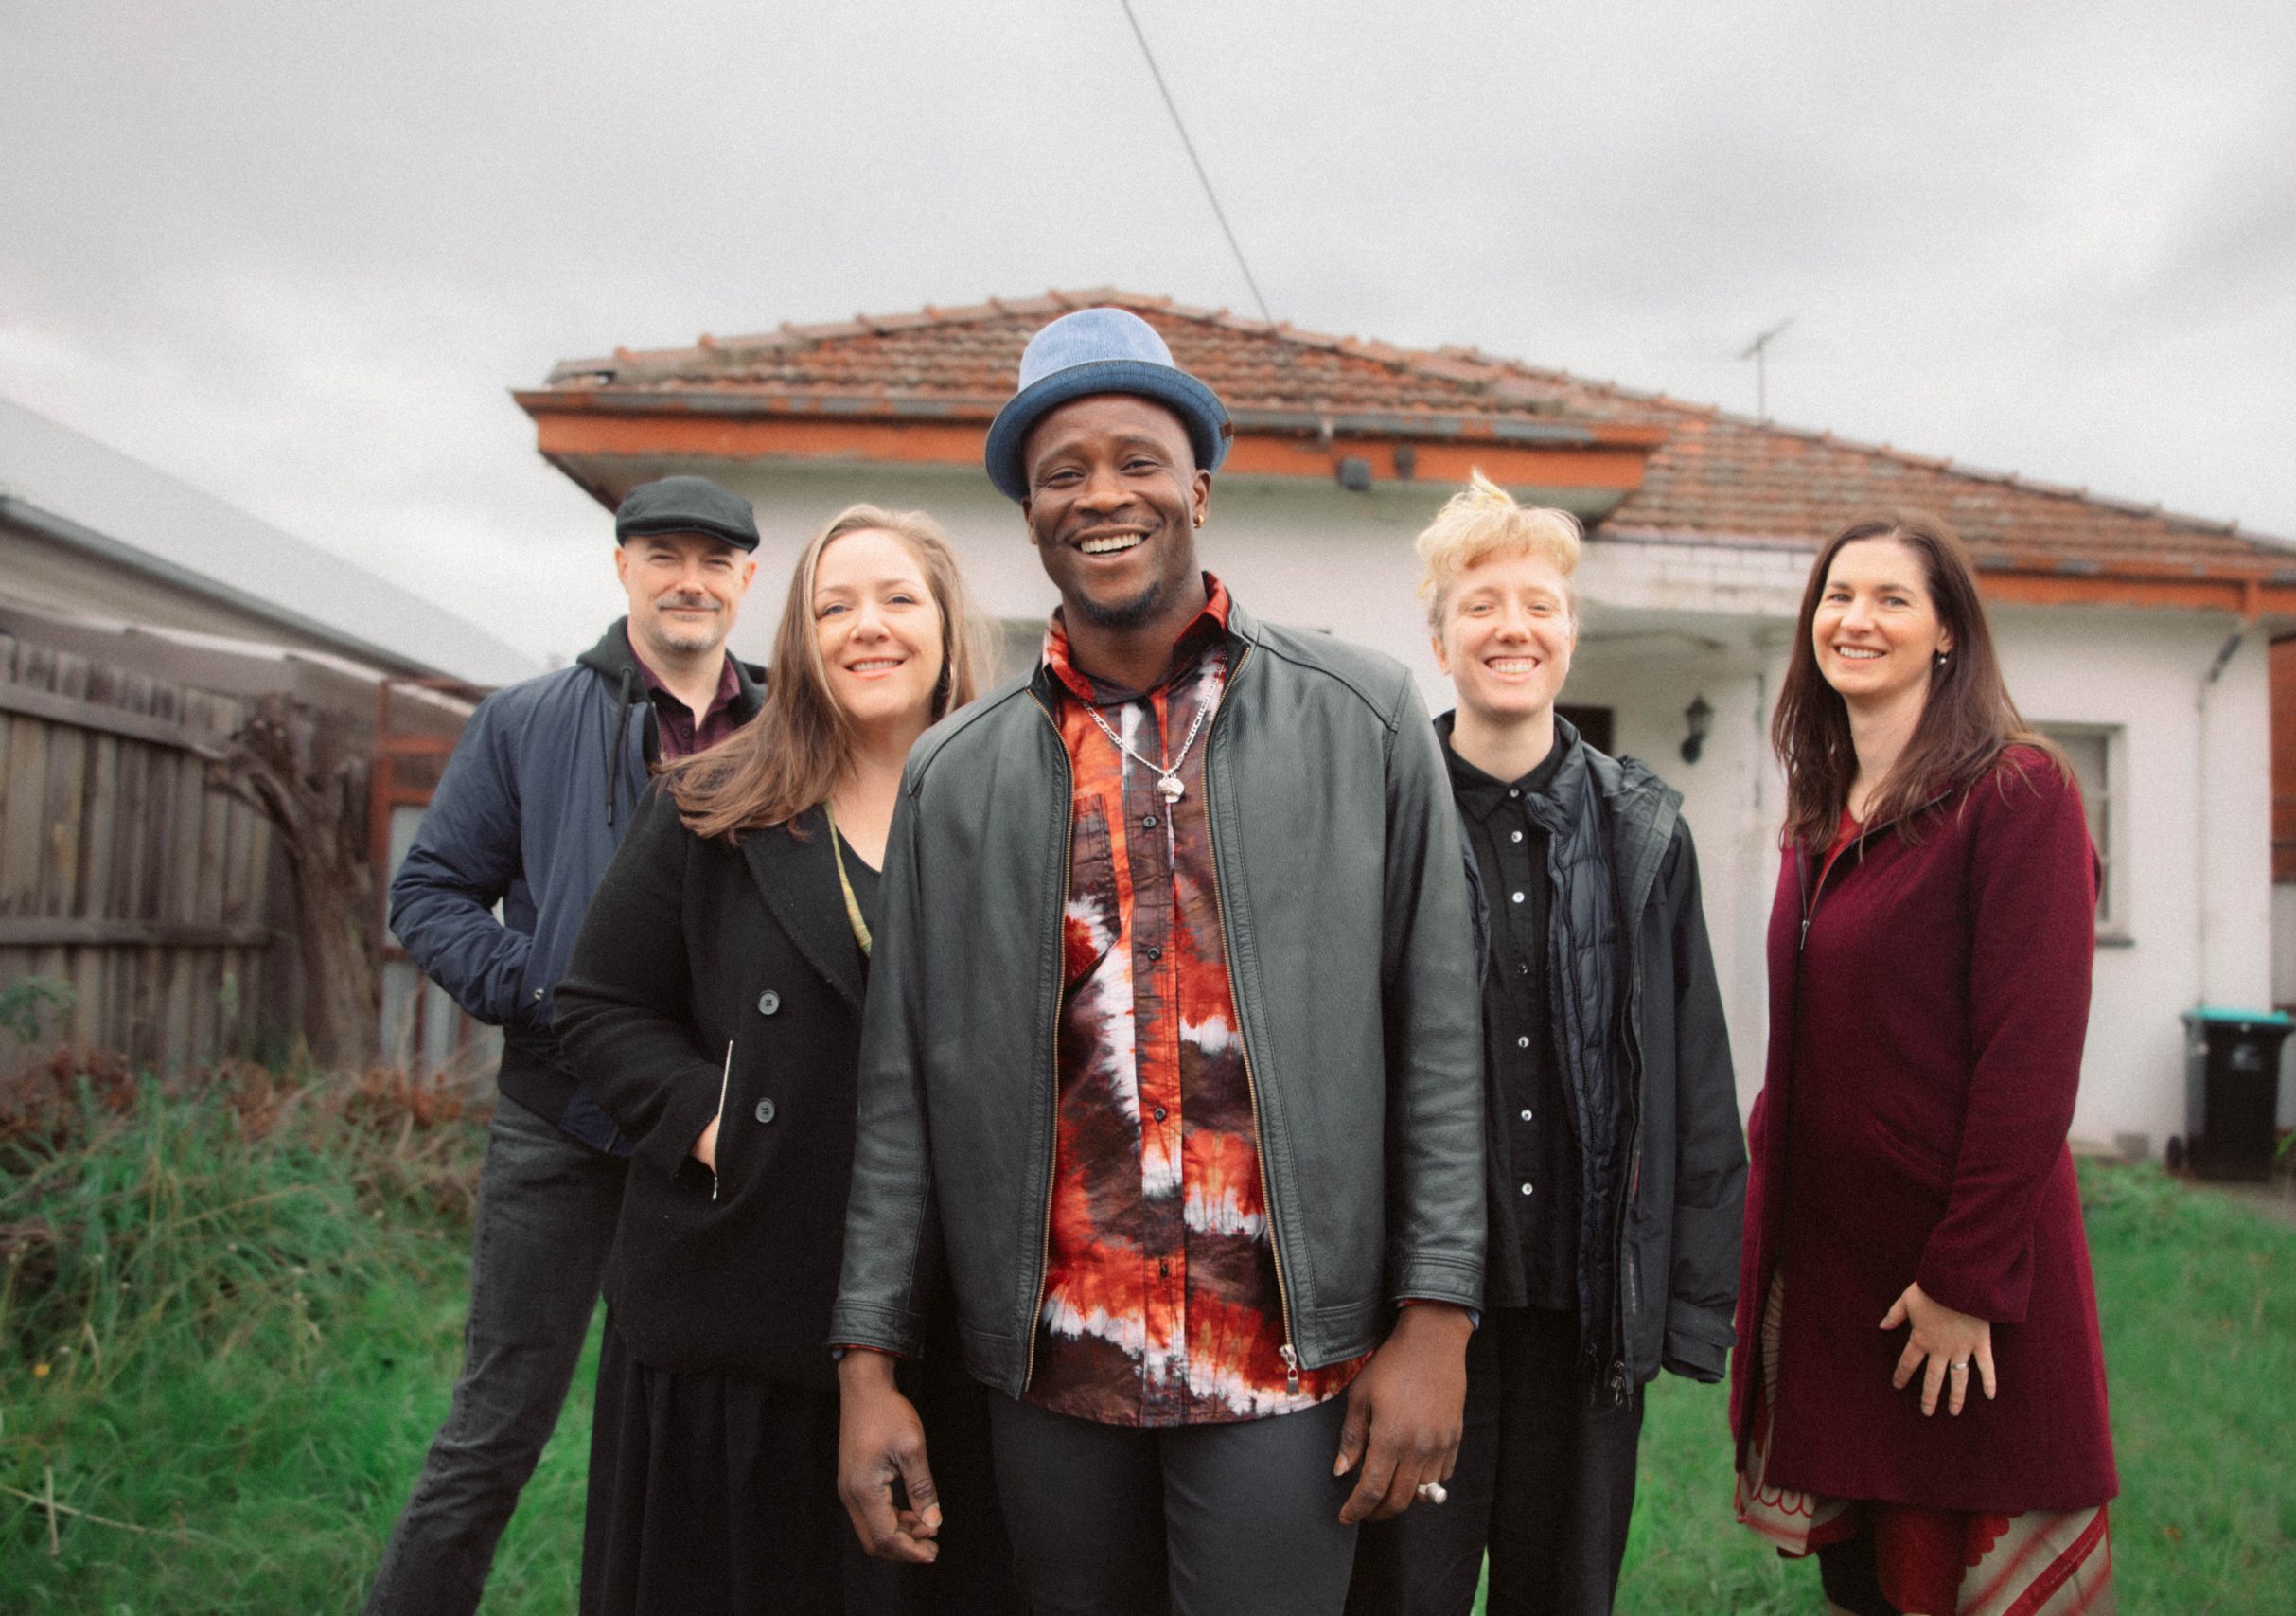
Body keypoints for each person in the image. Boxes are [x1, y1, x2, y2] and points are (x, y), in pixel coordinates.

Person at [826, 306, 1487, 1616]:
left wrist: (1439, 1317)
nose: (1101, 492)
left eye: (1136, 459)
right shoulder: (958, 777)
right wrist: (866, 1364)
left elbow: (1441, 1034)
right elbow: (905, 1082)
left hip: (1284, 1359)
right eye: (1061, 470)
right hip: (1053, 1360)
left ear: (1198, 486)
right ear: (1029, 513)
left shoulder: (1359, 716)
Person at [553, 504, 1015, 1615]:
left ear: (949, 628)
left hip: (949, 1321)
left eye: (898, 599)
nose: (868, 627)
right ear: (799, 639)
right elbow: (598, 1006)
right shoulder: (714, 805)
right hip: (736, 1313)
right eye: (833, 605)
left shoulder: (1017, 818)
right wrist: (715, 1125)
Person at [1348, 474, 1746, 1615]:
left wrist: (1690, 1306)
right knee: (1398, 1595)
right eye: (1479, 605)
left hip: (1586, 1315)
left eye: (1537, 604)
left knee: (1561, 1595)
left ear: (1571, 633)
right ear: (1438, 636)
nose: (1510, 627)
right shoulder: (1384, 815)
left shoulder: (1644, 833)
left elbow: (1697, 1081)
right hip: (1420, 1314)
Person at [366, 475, 763, 1615]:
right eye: (662, 555)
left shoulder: (791, 726)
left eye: (713, 559)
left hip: (715, 1133)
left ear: (746, 578)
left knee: (698, 1434)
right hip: (564, 1121)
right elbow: (431, 892)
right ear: (622, 568)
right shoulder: (526, 720)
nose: (688, 579)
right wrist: (545, 989)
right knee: (494, 1431)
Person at [1731, 513, 2117, 1616]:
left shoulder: (2017, 794)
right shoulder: (1824, 816)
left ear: (1948, 631)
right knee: (1865, 1587)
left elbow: (2029, 1064)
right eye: (1837, 596)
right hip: (1837, 1281)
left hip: (1946, 1294)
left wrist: (1965, 1281)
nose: (1855, 620)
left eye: (1891, 599)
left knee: (1943, 1585)